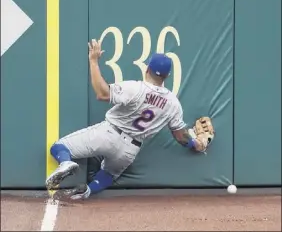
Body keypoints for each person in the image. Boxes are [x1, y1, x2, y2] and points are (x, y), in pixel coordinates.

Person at [46, 39, 215, 200]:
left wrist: (94, 61)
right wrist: (197, 144)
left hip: (109, 134)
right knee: (108, 174)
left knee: (59, 147)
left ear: (147, 69)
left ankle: (66, 163)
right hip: (129, 150)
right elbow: (181, 137)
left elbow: (102, 93)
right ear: (167, 76)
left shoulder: (136, 88)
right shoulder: (173, 103)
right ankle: (88, 191)